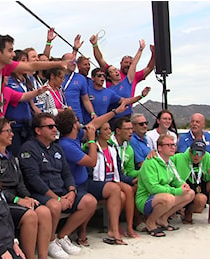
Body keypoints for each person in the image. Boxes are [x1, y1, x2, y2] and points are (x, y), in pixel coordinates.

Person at [0, 33, 66, 150]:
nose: (13, 54)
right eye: (10, 51)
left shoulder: (4, 66)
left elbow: (31, 66)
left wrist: (59, 63)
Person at [55, 107, 127, 247]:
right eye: (77, 120)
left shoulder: (75, 136)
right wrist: (92, 140)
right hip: (74, 187)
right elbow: (92, 162)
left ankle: (113, 231)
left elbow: (94, 124)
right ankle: (70, 234)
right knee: (90, 201)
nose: (80, 122)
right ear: (73, 125)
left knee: (114, 189)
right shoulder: (66, 144)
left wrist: (115, 112)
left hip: (85, 182)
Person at [19, 113, 86, 259]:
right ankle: (50, 241)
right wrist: (58, 198)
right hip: (40, 193)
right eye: (50, 127)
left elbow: (66, 173)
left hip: (60, 190)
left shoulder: (57, 147)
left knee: (89, 202)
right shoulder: (28, 148)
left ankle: (62, 236)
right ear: (38, 130)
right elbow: (33, 180)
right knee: (55, 206)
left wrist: (72, 191)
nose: (55, 129)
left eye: (55, 126)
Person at [0, 118, 52, 259]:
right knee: (30, 215)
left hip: (17, 199)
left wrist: (27, 197)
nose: (12, 134)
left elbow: (20, 183)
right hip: (1, 203)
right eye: (8, 131)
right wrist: (17, 200)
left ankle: (43, 256)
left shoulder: (12, 158)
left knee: (44, 211)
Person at [135, 134, 195, 237]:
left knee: (190, 193)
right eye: (169, 145)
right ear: (160, 148)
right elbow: (153, 188)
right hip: (146, 198)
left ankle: (162, 218)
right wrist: (176, 191)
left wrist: (182, 185)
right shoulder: (150, 163)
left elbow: (176, 180)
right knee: (169, 198)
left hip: (163, 195)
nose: (173, 147)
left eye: (173, 145)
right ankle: (150, 222)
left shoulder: (169, 162)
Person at [86, 122, 135, 243]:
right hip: (97, 182)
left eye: (110, 129)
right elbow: (89, 172)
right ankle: (115, 229)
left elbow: (118, 172)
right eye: (106, 129)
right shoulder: (91, 148)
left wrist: (133, 180)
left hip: (112, 181)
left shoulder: (112, 148)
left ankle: (129, 227)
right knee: (120, 193)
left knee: (128, 190)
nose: (109, 132)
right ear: (98, 132)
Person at [172, 140, 210, 226]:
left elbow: (208, 178)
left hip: (199, 185)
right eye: (194, 152)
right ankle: (187, 212)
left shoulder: (207, 157)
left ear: (204, 154)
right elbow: (163, 159)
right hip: (186, 187)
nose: (197, 156)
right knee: (200, 200)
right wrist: (154, 153)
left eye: (200, 153)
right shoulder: (180, 157)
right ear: (190, 151)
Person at [81, 68, 150, 125]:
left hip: (102, 125)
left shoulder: (109, 93)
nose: (102, 77)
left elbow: (126, 101)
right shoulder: (86, 90)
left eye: (103, 76)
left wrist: (141, 96)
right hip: (87, 124)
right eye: (99, 76)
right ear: (93, 78)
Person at [90, 33, 155, 92]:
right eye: (126, 62)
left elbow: (149, 68)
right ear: (121, 63)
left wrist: (154, 54)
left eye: (130, 63)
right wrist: (95, 45)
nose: (128, 65)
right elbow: (100, 59)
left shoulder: (135, 76)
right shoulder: (112, 72)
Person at [5, 50, 39, 156]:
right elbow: (19, 97)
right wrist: (38, 92)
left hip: (27, 123)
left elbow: (31, 102)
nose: (26, 63)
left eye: (26, 60)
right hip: (14, 125)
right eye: (22, 61)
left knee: (29, 154)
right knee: (17, 154)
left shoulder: (26, 80)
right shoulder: (9, 80)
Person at [105, 40, 147, 119]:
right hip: (115, 120)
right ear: (109, 77)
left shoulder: (127, 82)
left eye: (116, 69)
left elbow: (134, 64)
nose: (116, 72)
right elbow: (126, 101)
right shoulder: (108, 91)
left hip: (128, 117)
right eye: (112, 71)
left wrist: (140, 49)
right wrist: (141, 96)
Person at [60, 51, 95, 123]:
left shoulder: (81, 78)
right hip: (60, 116)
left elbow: (86, 99)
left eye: (75, 61)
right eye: (71, 61)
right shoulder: (56, 76)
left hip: (76, 117)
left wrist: (92, 113)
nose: (74, 64)